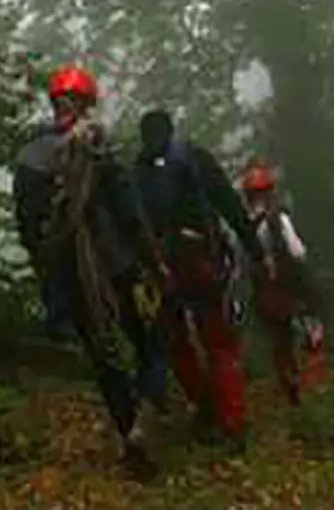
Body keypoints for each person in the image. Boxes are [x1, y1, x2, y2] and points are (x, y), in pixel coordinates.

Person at [11, 64, 168, 481]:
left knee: (104, 357)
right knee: (151, 336)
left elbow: (27, 226)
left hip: (68, 273)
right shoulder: (97, 144)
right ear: (87, 102)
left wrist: (48, 276)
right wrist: (154, 263)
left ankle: (130, 436)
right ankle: (146, 415)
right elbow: (129, 213)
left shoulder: (30, 154)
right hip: (115, 262)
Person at [134, 109, 268, 451]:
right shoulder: (193, 157)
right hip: (201, 260)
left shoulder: (140, 169)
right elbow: (228, 203)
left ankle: (205, 407)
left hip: (163, 267)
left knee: (176, 342)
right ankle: (232, 423)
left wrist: (142, 270)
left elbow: (132, 222)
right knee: (219, 342)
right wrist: (256, 251)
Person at [240, 159, 327, 406]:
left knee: (279, 344)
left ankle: (291, 389)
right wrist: (308, 290)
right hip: (290, 289)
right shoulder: (277, 220)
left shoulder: (245, 226)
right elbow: (298, 253)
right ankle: (310, 392)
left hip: (265, 294)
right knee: (309, 335)